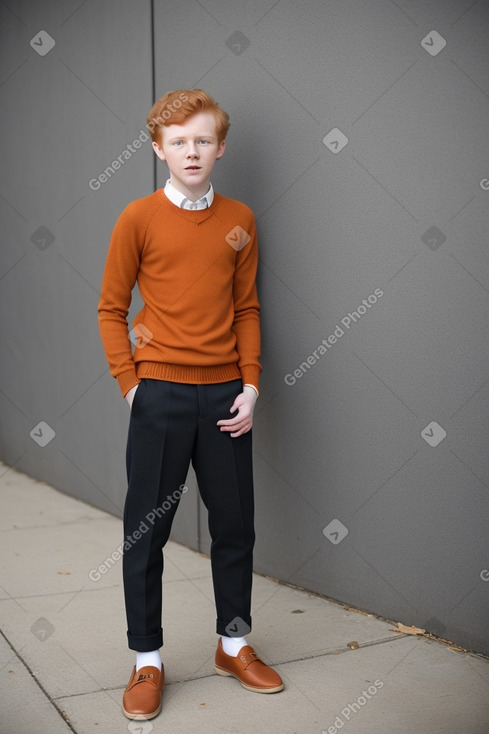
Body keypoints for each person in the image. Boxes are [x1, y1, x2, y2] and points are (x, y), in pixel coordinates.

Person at [97, 89, 284, 721]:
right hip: (160, 396)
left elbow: (248, 308)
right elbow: (110, 308)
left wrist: (251, 386)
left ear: (221, 146)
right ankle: (146, 660)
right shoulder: (137, 219)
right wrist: (131, 385)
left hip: (228, 395)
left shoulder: (241, 219)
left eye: (203, 139)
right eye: (178, 141)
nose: (192, 151)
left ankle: (234, 645)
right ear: (158, 149)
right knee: (145, 536)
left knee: (235, 528)